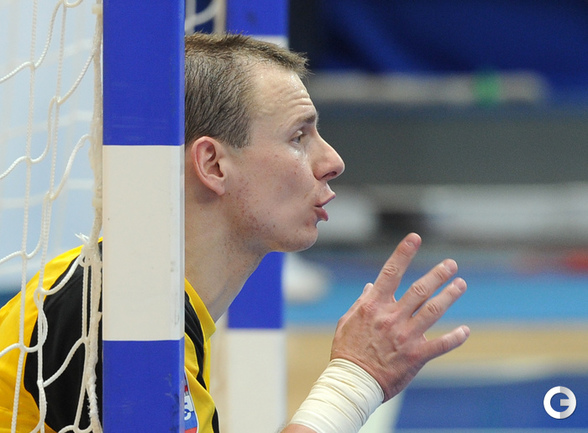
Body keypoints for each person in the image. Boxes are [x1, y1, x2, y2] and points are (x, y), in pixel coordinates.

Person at [0, 32, 469, 433]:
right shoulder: (111, 317)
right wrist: (353, 381)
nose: (333, 161)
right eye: (299, 137)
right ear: (213, 164)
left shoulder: (140, 297)